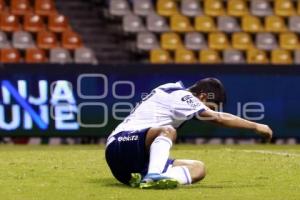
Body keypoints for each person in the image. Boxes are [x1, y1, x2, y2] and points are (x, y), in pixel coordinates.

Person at [105, 78, 273, 189]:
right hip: (120, 144)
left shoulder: (173, 93)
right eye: (209, 106)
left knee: (198, 168)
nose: (207, 111)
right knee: (167, 130)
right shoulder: (180, 94)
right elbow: (217, 118)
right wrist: (255, 126)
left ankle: (149, 180)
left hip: (131, 168)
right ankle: (154, 176)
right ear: (202, 96)